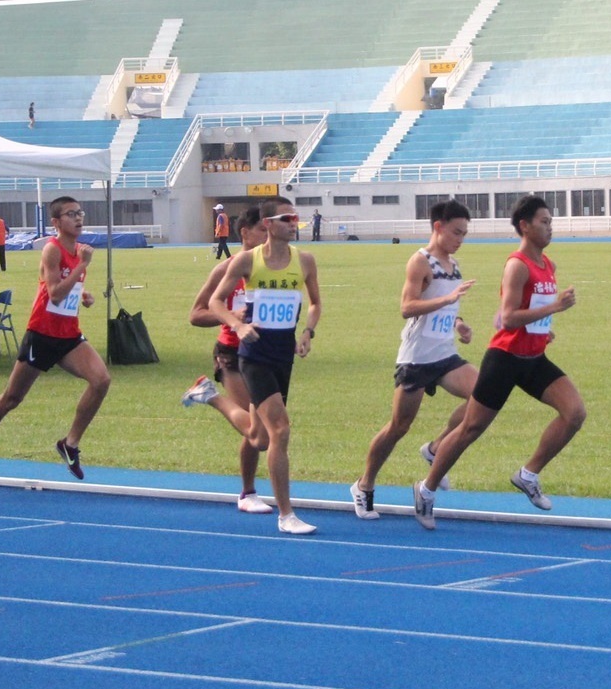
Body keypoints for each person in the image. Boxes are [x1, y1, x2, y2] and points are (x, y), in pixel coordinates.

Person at [413, 195, 584, 530]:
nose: (551, 227)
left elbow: (524, 312)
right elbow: (507, 318)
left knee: (575, 412)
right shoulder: (517, 264)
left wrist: (544, 330)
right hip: (504, 359)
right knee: (470, 429)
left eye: (551, 221)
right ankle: (427, 489)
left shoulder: (548, 265)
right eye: (544, 222)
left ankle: (528, 474)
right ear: (525, 225)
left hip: (533, 358)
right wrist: (554, 310)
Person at [0, 196, 111, 484]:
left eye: (80, 213)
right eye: (71, 214)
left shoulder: (78, 250)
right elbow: (54, 293)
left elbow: (65, 293)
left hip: (68, 336)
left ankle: (70, 443)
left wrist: (83, 294)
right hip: (41, 335)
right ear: (56, 222)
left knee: (101, 380)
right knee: (11, 399)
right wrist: (82, 267)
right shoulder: (53, 251)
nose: (78, 218)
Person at [350, 200, 478, 520]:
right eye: (456, 232)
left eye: (464, 233)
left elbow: (447, 308)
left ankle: (436, 449)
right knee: (398, 426)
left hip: (445, 354)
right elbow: (407, 307)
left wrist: (458, 323)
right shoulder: (420, 262)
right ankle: (364, 485)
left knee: (485, 396)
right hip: (417, 358)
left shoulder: (454, 264)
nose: (460, 238)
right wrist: (447, 299)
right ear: (438, 227)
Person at [208, 196, 322, 535]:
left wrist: (307, 332)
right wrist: (238, 325)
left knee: (258, 437)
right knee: (280, 430)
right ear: (269, 224)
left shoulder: (305, 261)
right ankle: (286, 515)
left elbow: (315, 303)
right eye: (286, 218)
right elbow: (215, 300)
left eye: (295, 218)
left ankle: (210, 396)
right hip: (253, 355)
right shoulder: (246, 261)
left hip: (283, 355)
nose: (293, 224)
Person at [181, 206, 272, 514]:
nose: (268, 235)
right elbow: (195, 315)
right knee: (260, 433)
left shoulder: (275, 269)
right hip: (231, 354)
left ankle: (248, 493)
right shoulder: (227, 270)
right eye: (263, 229)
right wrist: (232, 317)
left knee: (257, 429)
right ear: (245, 233)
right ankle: (209, 395)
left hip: (266, 355)